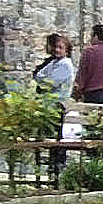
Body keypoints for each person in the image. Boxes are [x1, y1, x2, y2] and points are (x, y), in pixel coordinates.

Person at [33, 32, 75, 181]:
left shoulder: (65, 64)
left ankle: (57, 169)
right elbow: (38, 75)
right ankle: (51, 169)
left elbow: (50, 82)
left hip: (57, 106)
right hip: (48, 106)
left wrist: (43, 80)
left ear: (67, 50)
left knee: (56, 139)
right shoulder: (53, 62)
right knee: (49, 139)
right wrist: (43, 79)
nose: (57, 50)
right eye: (56, 47)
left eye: (61, 47)